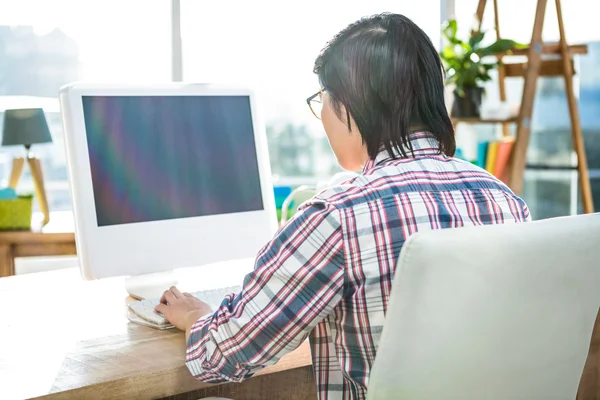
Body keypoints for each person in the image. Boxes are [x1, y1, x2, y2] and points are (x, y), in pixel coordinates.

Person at [156, 13, 530, 400]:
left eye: (323, 99)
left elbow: (225, 353)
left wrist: (195, 317)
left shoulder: (338, 217)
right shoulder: (507, 204)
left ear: (348, 105)